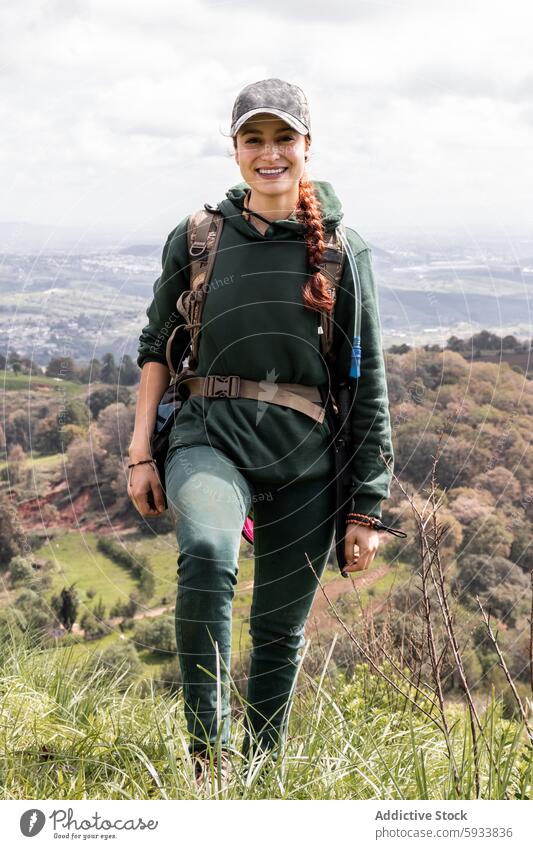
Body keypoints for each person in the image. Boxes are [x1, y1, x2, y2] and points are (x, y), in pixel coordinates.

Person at [127, 78, 394, 781]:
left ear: (308, 146)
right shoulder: (197, 236)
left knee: (279, 628)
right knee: (210, 555)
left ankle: (262, 775)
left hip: (308, 461)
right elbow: (157, 345)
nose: (268, 153)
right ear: (235, 147)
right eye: (254, 138)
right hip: (207, 436)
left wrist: (367, 503)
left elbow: (366, 384)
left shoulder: (344, 251)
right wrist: (138, 454)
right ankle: (208, 755)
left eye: (283, 138)